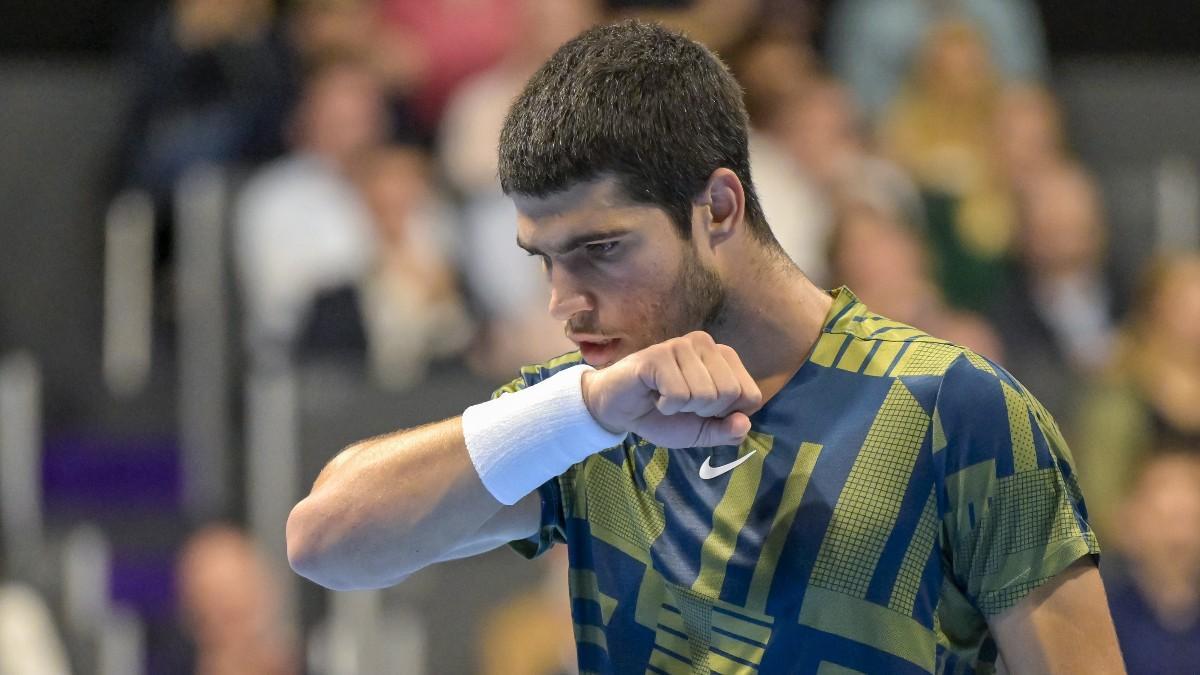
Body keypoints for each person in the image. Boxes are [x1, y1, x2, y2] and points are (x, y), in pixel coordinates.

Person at [287, 21, 1122, 673]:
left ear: (718, 208)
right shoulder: (588, 414)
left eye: (601, 248)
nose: (563, 302)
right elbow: (323, 542)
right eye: (545, 258)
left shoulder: (958, 407)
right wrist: (583, 412)